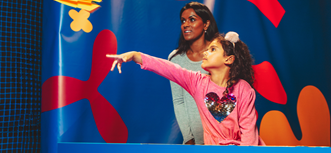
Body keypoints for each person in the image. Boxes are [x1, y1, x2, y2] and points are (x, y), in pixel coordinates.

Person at [107, 32, 265, 145]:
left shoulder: (244, 89)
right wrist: (135, 55)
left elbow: (249, 132)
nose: (205, 52)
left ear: (229, 59)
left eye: (213, 49)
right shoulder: (197, 82)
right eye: (207, 48)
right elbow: (169, 68)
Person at [168, 2, 219, 145]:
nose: (185, 24)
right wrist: (188, 138)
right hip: (195, 141)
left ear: (206, 24)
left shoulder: (219, 54)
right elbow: (179, 101)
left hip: (221, 138)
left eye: (192, 19)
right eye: (183, 21)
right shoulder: (176, 59)